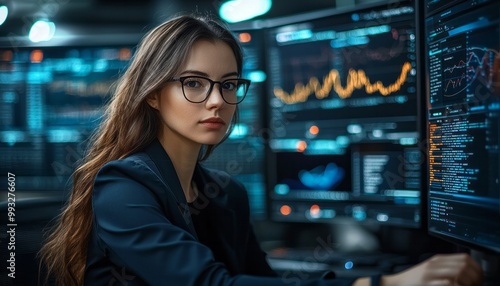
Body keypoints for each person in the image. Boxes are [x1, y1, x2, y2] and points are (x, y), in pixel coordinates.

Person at [40, 14, 483, 286]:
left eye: (229, 85)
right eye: (194, 83)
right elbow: (211, 285)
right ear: (153, 94)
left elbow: (264, 281)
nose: (217, 100)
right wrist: (380, 285)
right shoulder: (124, 185)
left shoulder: (226, 194)